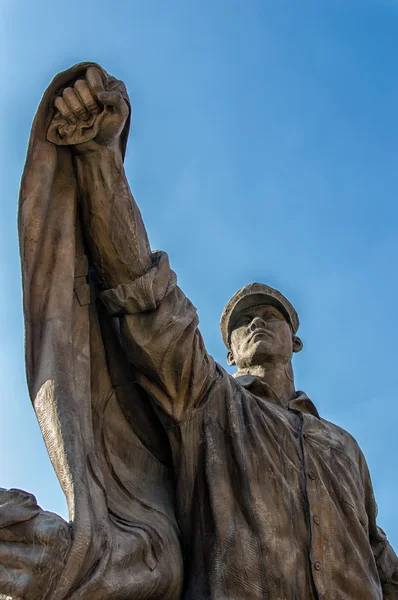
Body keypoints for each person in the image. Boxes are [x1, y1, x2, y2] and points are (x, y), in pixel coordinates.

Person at [3, 64, 397, 599]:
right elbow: (144, 296)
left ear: (294, 341)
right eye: (240, 321)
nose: (255, 321)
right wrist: (100, 159)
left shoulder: (343, 449)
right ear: (229, 348)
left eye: (269, 314)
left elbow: (382, 563)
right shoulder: (212, 405)